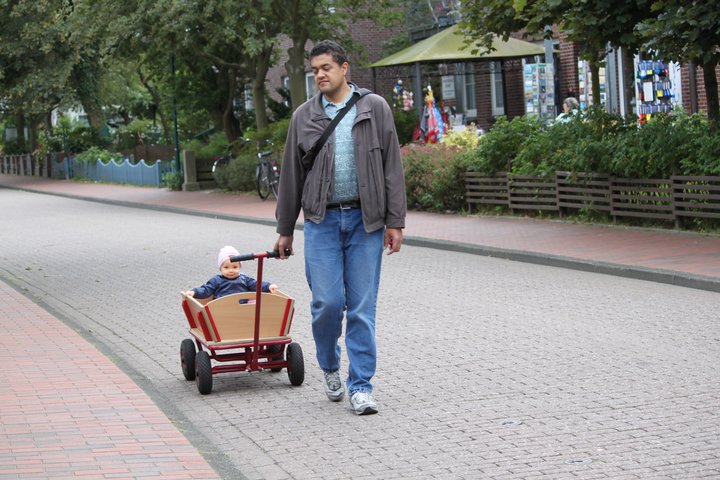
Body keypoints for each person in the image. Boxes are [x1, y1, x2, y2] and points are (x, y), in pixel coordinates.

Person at [274, 40, 406, 415]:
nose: (319, 75)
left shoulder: (374, 108)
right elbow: (291, 175)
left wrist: (395, 221)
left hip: (367, 222)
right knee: (327, 304)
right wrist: (285, 228)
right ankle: (330, 365)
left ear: (345, 68)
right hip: (322, 221)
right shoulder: (303, 116)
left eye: (326, 68)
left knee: (362, 308)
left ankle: (361, 385)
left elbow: (392, 167)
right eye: (315, 69)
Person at [184, 245, 278, 299]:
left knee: (255, 302)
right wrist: (194, 292)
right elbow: (206, 289)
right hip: (222, 307)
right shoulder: (216, 280)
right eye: (226, 267)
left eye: (235, 267)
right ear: (220, 268)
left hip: (242, 307)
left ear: (239, 267)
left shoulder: (244, 279)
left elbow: (256, 284)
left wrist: (268, 286)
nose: (231, 270)